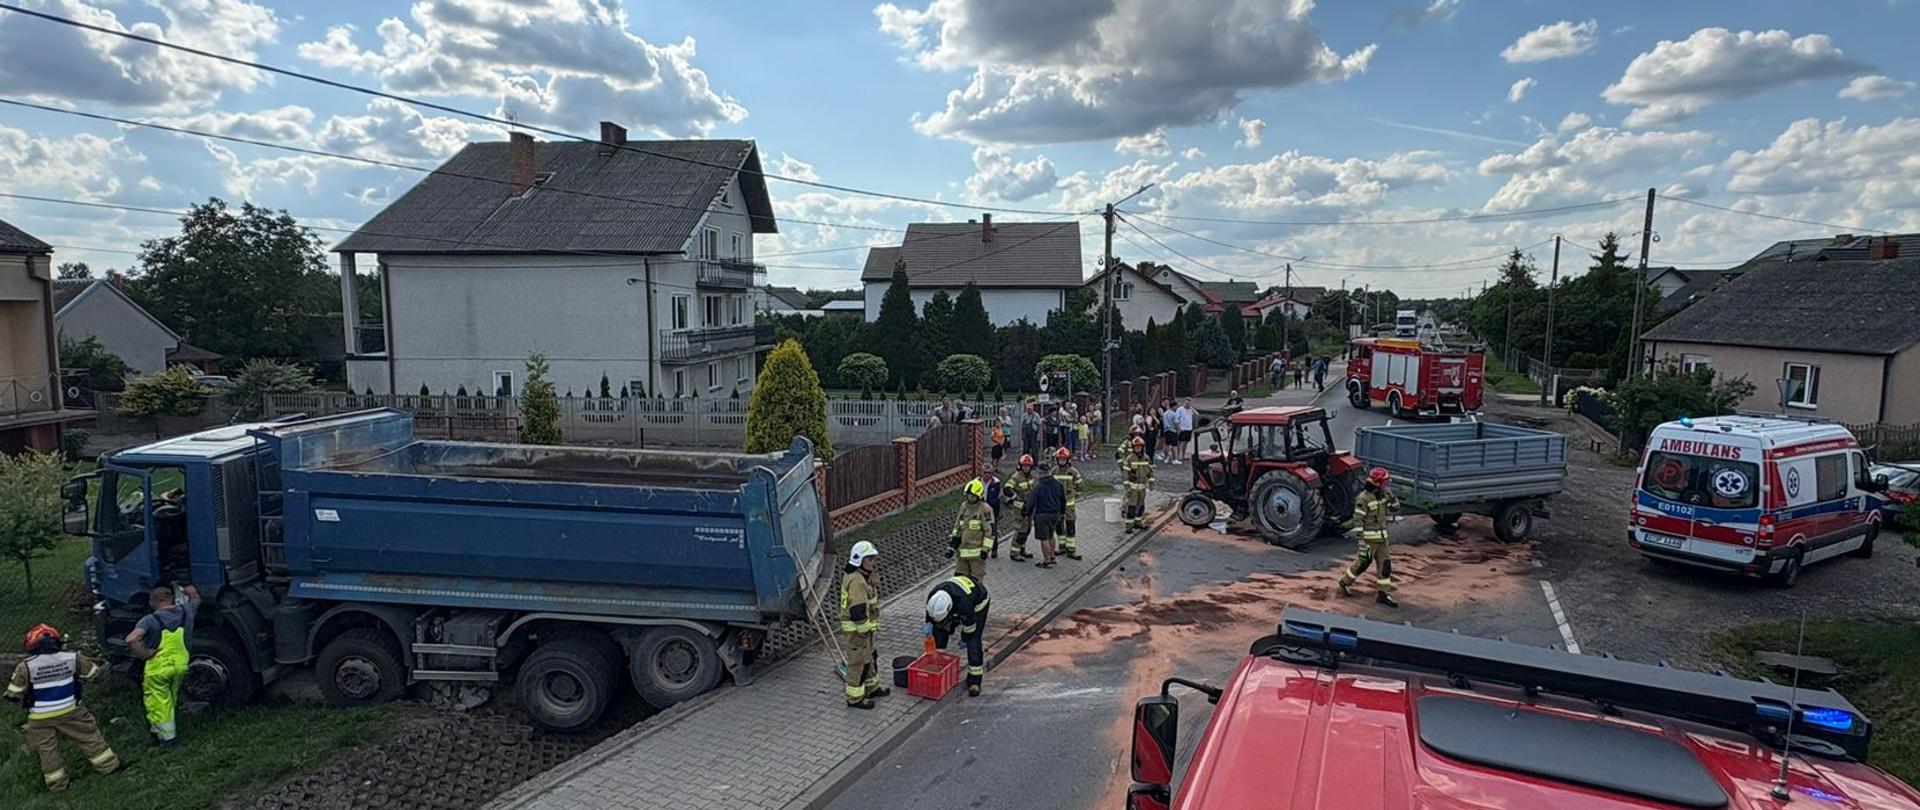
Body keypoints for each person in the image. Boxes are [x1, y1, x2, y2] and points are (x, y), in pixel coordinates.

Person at [7, 624, 121, 792]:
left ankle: (57, 785)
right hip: (71, 710)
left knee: (47, 749)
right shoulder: (73, 657)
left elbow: (13, 693)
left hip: (39, 717)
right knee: (89, 736)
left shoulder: (25, 666)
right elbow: (93, 674)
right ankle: (109, 767)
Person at [127, 583, 198, 745]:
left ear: (153, 602)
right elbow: (195, 599)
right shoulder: (187, 611)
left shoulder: (149, 620)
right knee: (170, 698)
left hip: (158, 668)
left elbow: (131, 639)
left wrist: (144, 653)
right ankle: (156, 730)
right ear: (171, 599)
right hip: (180, 665)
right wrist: (191, 591)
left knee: (157, 701)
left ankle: (168, 739)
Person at [1339, 467, 1400, 608]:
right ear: (1377, 483)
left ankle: (1383, 594)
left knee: (1385, 566)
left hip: (1382, 539)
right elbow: (1358, 520)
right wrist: (1361, 541)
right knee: (1363, 564)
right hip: (1369, 540)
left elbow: (1395, 507)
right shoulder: (1363, 498)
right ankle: (1345, 582)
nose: (1387, 484)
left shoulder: (1385, 493)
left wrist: (1393, 500)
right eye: (1384, 482)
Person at [840, 541, 888, 708]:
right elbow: (858, 612)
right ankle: (855, 698)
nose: (873, 563)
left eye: (874, 559)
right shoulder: (857, 582)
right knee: (859, 663)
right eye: (870, 559)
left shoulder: (863, 578)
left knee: (871, 658)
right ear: (859, 560)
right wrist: (867, 628)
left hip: (865, 631)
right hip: (858, 632)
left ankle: (872, 688)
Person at [924, 575, 990, 697]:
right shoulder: (934, 596)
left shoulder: (964, 605)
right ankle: (939, 664)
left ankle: (975, 680)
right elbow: (931, 615)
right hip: (956, 598)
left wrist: (965, 637)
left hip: (979, 602)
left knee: (973, 640)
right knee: (939, 630)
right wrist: (929, 623)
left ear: (949, 609)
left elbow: (970, 626)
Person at [949, 478, 995, 584]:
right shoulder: (964, 506)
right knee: (959, 581)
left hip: (977, 555)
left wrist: (985, 549)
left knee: (976, 582)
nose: (970, 498)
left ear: (979, 496)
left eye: (973, 496)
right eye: (968, 495)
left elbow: (990, 532)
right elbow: (958, 525)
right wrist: (952, 542)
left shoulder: (985, 509)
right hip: (962, 553)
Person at [1027, 462, 1067, 568]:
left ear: (1040, 473)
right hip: (1055, 514)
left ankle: (1047, 560)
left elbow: (1031, 502)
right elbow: (1063, 500)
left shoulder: (1039, 486)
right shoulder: (1058, 485)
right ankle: (1052, 556)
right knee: (1051, 535)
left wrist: (1027, 513)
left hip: (1042, 515)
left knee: (1044, 538)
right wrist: (1062, 513)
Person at [1052, 447, 1084, 560]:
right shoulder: (1054, 471)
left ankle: (1071, 549)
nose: (1061, 461)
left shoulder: (1073, 472)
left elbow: (1079, 484)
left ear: (1068, 459)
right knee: (1058, 525)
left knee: (1070, 525)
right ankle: (1062, 546)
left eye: (1063, 459)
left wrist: (1075, 494)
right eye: (1060, 459)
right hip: (1056, 504)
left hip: (1069, 504)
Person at [1004, 455, 1037, 561]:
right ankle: (1014, 553)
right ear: (1020, 466)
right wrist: (1015, 498)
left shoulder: (1030, 477)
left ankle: (1022, 549)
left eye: (1028, 466)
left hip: (1029, 508)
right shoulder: (1016, 477)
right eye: (1024, 466)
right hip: (1020, 509)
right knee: (1020, 530)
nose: (1026, 468)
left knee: (1027, 530)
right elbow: (1007, 488)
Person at [1122, 436, 1153, 530]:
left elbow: (1150, 471)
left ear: (1142, 447)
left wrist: (1151, 482)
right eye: (1136, 447)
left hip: (1142, 488)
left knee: (1141, 506)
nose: (1138, 448)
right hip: (1132, 488)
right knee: (1131, 507)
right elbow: (1126, 473)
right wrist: (1127, 486)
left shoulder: (1146, 458)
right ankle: (1129, 526)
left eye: (1139, 447)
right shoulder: (1129, 458)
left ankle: (1138, 522)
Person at [981, 467, 1004, 558]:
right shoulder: (977, 482)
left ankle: (993, 549)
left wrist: (998, 512)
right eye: (985, 472)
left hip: (992, 510)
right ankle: (984, 550)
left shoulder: (996, 483)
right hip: (980, 510)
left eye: (989, 473)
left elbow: (999, 497)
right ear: (981, 472)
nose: (987, 475)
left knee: (992, 531)